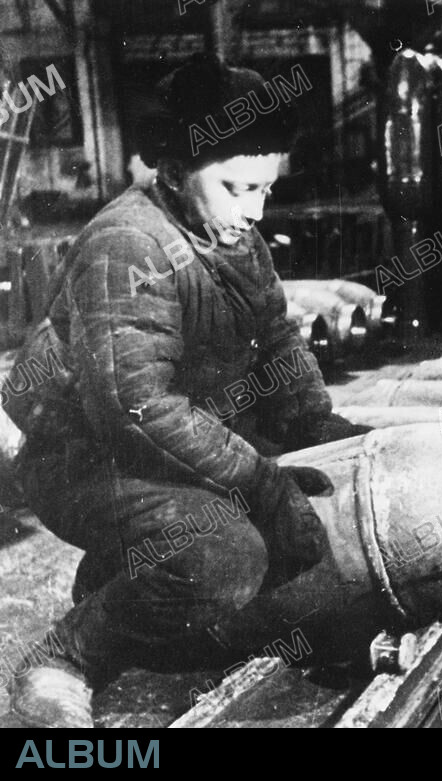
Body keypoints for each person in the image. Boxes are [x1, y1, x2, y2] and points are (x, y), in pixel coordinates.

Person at [3, 53, 369, 728]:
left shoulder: (235, 236)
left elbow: (277, 341)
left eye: (264, 190)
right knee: (222, 553)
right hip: (84, 455)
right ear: (174, 172)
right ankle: (63, 659)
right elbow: (134, 408)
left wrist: (323, 430)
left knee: (320, 495)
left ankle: (124, 580)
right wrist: (258, 480)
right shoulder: (126, 246)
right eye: (236, 188)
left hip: (169, 436)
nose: (254, 210)